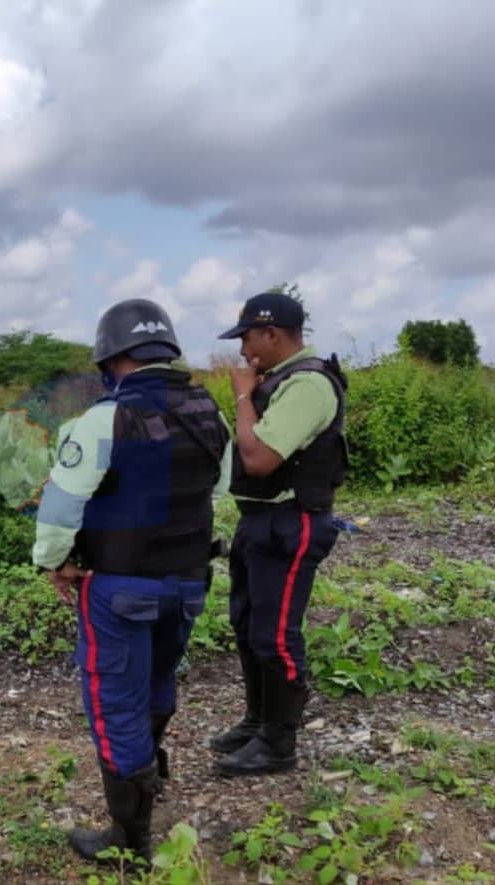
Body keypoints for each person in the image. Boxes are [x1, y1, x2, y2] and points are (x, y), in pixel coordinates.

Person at [33, 300, 230, 865]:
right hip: (188, 582)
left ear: (111, 359)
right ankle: (151, 769)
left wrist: (55, 561)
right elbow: (217, 489)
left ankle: (129, 840)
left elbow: (60, 507)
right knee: (159, 677)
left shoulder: (103, 419)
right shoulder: (207, 410)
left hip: (119, 590)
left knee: (115, 699)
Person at [212, 290, 348, 777]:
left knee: (275, 636)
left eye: (247, 336)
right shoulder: (280, 380)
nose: (243, 349)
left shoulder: (309, 384)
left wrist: (244, 396)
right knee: (248, 626)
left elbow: (260, 456)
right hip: (261, 519)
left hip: (291, 522)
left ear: (272, 333)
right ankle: (256, 722)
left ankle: (279, 743)